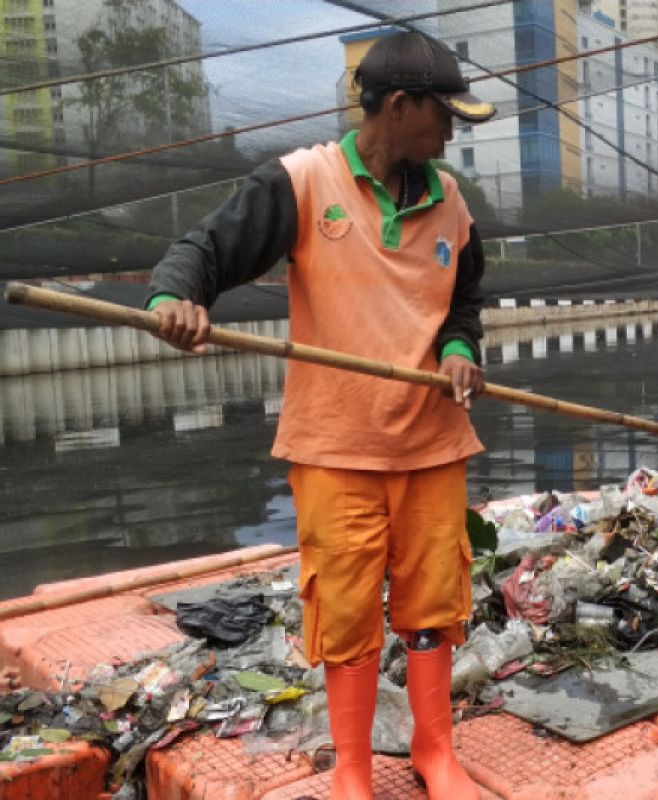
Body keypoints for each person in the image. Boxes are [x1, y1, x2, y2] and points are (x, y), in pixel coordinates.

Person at [145, 30, 496, 800]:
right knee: (344, 611)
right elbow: (206, 248)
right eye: (445, 116)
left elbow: (464, 304)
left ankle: (436, 755)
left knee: (434, 602)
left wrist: (461, 349)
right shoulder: (302, 182)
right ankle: (353, 772)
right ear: (399, 107)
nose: (451, 133)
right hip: (337, 445)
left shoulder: (452, 202)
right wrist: (176, 298)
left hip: (432, 443)